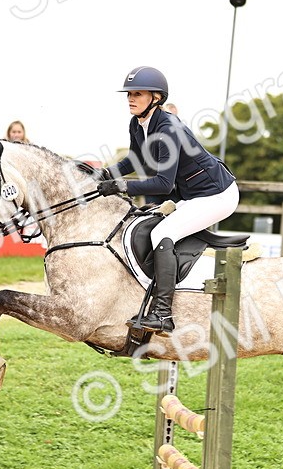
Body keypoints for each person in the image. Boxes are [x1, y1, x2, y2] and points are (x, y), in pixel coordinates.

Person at [94, 66, 239, 335]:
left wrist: (120, 185)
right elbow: (134, 160)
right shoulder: (137, 123)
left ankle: (163, 315)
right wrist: (103, 173)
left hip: (217, 195)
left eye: (137, 94)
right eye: (129, 94)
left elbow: (163, 184)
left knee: (162, 232)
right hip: (193, 195)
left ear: (156, 98)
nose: (130, 99)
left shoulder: (169, 128)